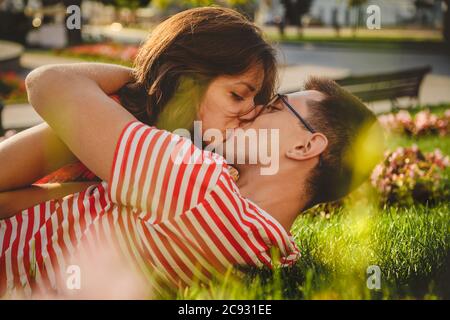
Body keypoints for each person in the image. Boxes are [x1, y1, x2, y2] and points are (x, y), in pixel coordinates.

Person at [0, 58, 383, 297]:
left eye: (276, 105)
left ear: (305, 146)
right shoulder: (275, 252)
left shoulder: (201, 188)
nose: (253, 109)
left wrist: (153, 85)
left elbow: (47, 83)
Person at [0, 7, 277, 217]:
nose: (249, 113)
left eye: (256, 102)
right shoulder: (113, 116)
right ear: (188, 81)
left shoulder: (205, 158)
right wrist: (145, 80)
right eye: (237, 95)